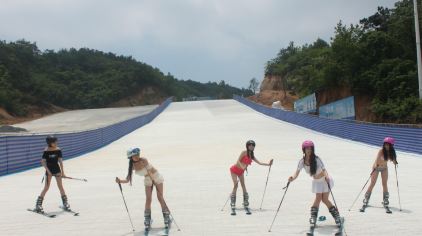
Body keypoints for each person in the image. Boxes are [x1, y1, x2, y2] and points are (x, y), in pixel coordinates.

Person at [288, 140, 342, 228]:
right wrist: (292, 178)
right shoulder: (302, 162)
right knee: (318, 199)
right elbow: (296, 173)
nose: (309, 150)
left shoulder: (317, 159)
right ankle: (313, 218)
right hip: (317, 183)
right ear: (304, 150)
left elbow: (324, 169)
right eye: (307, 149)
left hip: (325, 180)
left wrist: (327, 177)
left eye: (310, 148)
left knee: (324, 199)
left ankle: (336, 217)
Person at [115, 147, 170, 230]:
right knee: (148, 199)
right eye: (134, 155)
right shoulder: (132, 166)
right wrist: (120, 181)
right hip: (148, 179)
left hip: (156, 177)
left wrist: (154, 181)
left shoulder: (143, 160)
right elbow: (127, 180)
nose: (137, 156)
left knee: (160, 198)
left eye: (137, 154)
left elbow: (149, 171)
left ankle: (166, 217)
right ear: (130, 157)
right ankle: (147, 219)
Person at [229, 140, 273, 213]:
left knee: (243, 186)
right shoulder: (244, 152)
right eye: (250, 145)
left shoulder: (251, 155)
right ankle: (233, 202)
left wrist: (268, 164)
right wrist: (242, 167)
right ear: (247, 146)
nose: (251, 147)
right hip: (234, 170)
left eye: (253, 145)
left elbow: (259, 163)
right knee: (236, 185)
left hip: (241, 172)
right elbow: (238, 161)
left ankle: (245, 202)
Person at [361, 137, 398, 213]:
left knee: (384, 184)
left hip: (384, 168)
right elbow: (378, 160)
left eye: (388, 145)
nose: (386, 146)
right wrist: (378, 164)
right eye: (385, 144)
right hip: (376, 168)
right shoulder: (381, 151)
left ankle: (385, 200)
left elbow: (393, 161)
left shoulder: (392, 152)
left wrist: (395, 161)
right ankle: (366, 199)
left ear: (391, 145)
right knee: (372, 183)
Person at [34, 135, 70, 212]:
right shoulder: (46, 150)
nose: (56, 143)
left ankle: (65, 203)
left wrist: (63, 173)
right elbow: (43, 162)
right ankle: (38, 205)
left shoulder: (58, 149)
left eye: (57, 141)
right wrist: (49, 172)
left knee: (61, 187)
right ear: (50, 143)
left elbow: (60, 161)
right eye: (55, 142)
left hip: (57, 170)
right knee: (46, 187)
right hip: (49, 170)